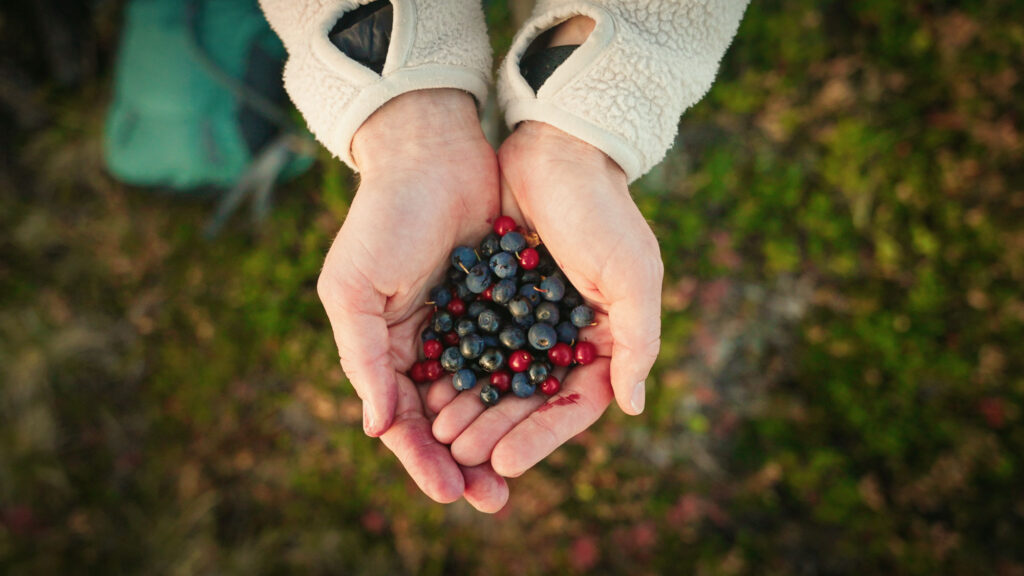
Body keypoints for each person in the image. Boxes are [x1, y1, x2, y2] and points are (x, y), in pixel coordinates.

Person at [258, 0, 749, 513]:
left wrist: (582, 115)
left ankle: (560, 44)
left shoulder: (518, 318)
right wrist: (406, 124)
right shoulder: (501, 314)